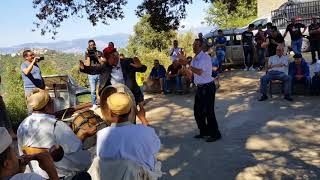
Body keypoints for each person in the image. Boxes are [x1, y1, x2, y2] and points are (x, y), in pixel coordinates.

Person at [17, 89, 93, 179]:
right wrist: (83, 136)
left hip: (37, 176)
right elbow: (76, 154)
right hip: (59, 176)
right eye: (52, 101)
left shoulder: (23, 125)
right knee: (87, 167)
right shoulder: (56, 125)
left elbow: (23, 154)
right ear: (47, 106)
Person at [80, 46, 149, 125]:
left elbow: (143, 69)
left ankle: (131, 130)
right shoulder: (106, 66)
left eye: (107, 58)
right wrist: (83, 68)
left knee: (131, 118)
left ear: (114, 56)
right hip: (113, 95)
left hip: (129, 93)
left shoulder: (127, 62)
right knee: (113, 120)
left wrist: (140, 66)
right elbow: (94, 69)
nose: (105, 60)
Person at [96, 92, 161, 170]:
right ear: (131, 110)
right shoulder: (144, 131)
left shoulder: (102, 134)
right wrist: (143, 118)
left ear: (109, 111)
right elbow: (156, 146)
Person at [177, 39, 221, 142]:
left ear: (201, 46)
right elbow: (191, 75)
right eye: (193, 44)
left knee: (208, 112)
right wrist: (184, 64)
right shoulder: (194, 58)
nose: (193, 46)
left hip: (208, 87)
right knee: (198, 112)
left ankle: (215, 133)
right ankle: (204, 132)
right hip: (200, 88)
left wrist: (187, 64)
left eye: (196, 44)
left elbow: (200, 72)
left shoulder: (205, 57)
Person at [85, 40, 103, 110]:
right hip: (91, 75)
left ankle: (103, 102)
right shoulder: (87, 54)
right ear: (88, 46)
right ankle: (94, 104)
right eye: (90, 45)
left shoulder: (99, 52)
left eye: (93, 44)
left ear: (95, 45)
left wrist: (97, 56)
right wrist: (88, 56)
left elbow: (102, 63)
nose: (92, 46)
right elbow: (87, 64)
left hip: (99, 73)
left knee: (101, 89)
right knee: (93, 90)